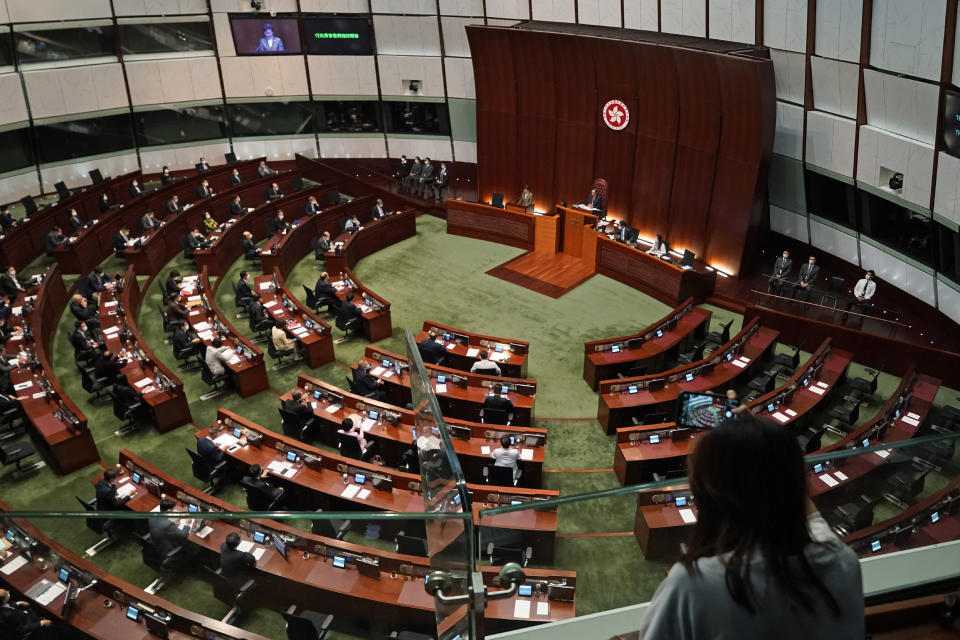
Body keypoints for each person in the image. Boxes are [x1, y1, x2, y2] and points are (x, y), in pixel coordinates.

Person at [638, 416, 864, 640]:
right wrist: (762, 442)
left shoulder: (695, 584)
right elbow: (811, 516)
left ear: (709, 495)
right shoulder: (842, 560)